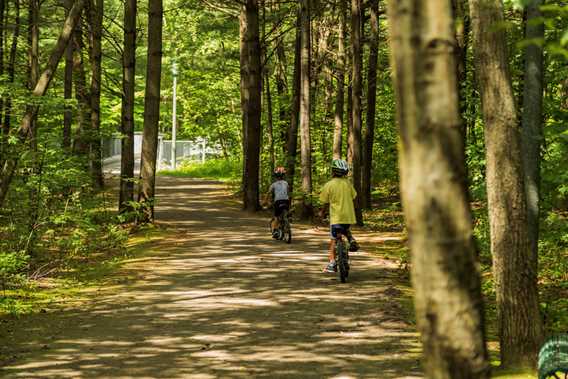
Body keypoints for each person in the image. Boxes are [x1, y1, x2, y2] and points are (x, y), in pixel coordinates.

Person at [319, 159, 359, 273]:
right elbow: (354, 198)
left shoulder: (329, 185)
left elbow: (325, 202)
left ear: (333, 171)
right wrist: (355, 210)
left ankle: (332, 263)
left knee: (333, 240)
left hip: (336, 218)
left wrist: (322, 213)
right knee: (346, 229)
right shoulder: (348, 184)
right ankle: (351, 239)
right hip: (348, 216)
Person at [268, 166, 290, 239]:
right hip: (286, 201)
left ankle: (275, 231)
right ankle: (287, 220)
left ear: (276, 176)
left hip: (278, 202)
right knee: (285, 212)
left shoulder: (274, 184)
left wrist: (265, 201)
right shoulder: (286, 183)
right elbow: (287, 192)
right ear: (283, 176)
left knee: (276, 217)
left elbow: (268, 193)